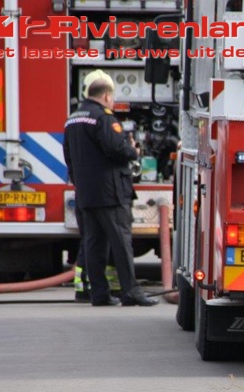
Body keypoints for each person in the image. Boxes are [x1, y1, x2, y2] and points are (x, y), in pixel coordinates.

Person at [63, 69, 158, 307]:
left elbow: (68, 157)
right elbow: (117, 150)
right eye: (112, 98)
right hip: (110, 193)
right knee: (121, 243)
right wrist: (133, 150)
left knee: (94, 244)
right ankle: (131, 292)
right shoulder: (104, 118)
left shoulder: (73, 119)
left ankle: (100, 294)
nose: (112, 102)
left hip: (86, 194)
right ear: (106, 96)